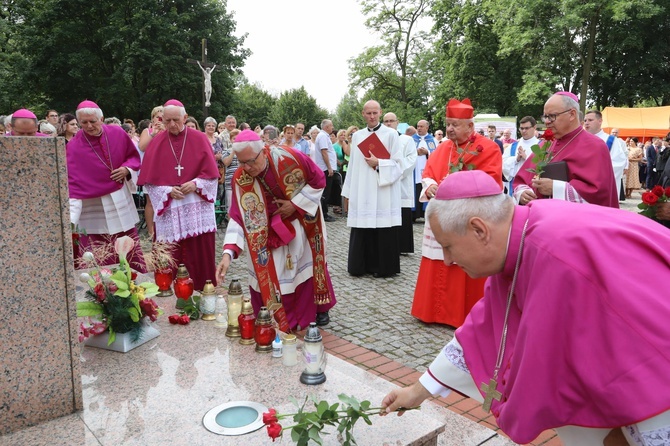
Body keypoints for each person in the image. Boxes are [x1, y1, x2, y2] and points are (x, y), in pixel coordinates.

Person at [381, 170, 670, 446]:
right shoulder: (520, 238)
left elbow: (633, 356)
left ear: (479, 230)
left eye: (449, 247)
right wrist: (417, 392)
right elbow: (480, 329)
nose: (446, 260)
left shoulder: (556, 253)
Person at [216, 129, 336, 331]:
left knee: (304, 266)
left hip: (299, 222)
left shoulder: (290, 157)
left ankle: (315, 310)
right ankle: (277, 318)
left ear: (263, 151)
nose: (247, 168)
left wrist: (295, 205)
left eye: (251, 162)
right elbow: (238, 218)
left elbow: (318, 181)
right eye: (241, 163)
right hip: (263, 231)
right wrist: (228, 253)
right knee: (270, 271)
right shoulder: (240, 178)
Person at [410, 98, 502, 327]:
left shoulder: (488, 148)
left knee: (463, 263)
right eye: (448, 123)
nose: (449, 128)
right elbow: (429, 173)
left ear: (470, 126)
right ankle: (431, 311)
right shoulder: (443, 147)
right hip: (442, 215)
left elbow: (491, 183)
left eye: (455, 124)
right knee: (437, 261)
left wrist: (460, 185)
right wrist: (429, 185)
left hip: (468, 218)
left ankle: (461, 314)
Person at [137, 99, 219, 290]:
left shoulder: (199, 138)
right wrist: (168, 191)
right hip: (170, 207)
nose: (172, 125)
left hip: (195, 204)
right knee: (170, 254)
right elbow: (149, 183)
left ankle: (202, 289)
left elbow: (212, 176)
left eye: (176, 120)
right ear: (162, 120)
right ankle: (168, 293)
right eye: (167, 121)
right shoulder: (156, 141)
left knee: (198, 251)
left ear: (184, 117)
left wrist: (196, 184)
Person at [67, 100, 146, 271]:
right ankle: (100, 285)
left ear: (101, 118)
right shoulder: (74, 145)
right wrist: (71, 220)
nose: (88, 126)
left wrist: (126, 169)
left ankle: (135, 277)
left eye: (92, 121)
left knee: (125, 237)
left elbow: (133, 157)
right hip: (92, 203)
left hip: (118, 197)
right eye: (84, 123)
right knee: (96, 244)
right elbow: (72, 182)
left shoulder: (117, 133)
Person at [513, 91, 618, 208]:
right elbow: (522, 179)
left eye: (552, 116)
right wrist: (522, 193)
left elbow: (599, 194)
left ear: (572, 114)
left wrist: (555, 188)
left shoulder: (595, 146)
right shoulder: (546, 144)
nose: (547, 122)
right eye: (545, 116)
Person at [342, 100, 402, 278]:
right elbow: (352, 166)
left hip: (382, 188)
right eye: (368, 113)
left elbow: (399, 165)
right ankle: (360, 266)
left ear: (380, 112)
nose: (372, 116)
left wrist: (379, 164)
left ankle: (383, 267)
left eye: (375, 113)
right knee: (363, 225)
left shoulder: (391, 134)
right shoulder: (358, 136)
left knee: (383, 227)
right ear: (363, 114)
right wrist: (349, 192)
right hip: (362, 190)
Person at [384, 112, 417, 254]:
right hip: (383, 183)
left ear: (397, 122)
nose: (389, 123)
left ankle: (403, 246)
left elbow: (411, 159)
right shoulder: (380, 139)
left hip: (401, 182)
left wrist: (395, 174)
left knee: (402, 214)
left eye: (391, 121)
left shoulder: (406, 140)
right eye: (386, 121)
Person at [583, 110, 628, 199]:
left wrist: (595, 175)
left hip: (601, 186)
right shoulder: (580, 139)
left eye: (590, 120)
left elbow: (618, 163)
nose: (587, 123)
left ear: (600, 121)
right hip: (582, 186)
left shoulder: (611, 140)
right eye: (585, 120)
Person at [502, 116, 538, 195]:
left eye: (527, 128)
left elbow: (544, 166)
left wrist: (527, 158)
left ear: (534, 127)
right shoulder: (512, 147)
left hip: (534, 186)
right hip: (515, 188)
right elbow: (503, 166)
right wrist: (516, 159)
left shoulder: (541, 145)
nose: (524, 131)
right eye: (521, 128)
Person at [411, 119, 437, 221]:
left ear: (427, 127)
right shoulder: (412, 139)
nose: (419, 128)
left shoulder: (432, 140)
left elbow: (436, 155)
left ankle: (425, 213)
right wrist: (415, 152)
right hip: (415, 170)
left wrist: (427, 153)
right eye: (418, 126)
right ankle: (414, 214)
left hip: (427, 170)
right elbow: (407, 153)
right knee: (415, 190)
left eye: (421, 126)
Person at [314, 120, 337, 222]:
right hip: (325, 169)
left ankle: (324, 212)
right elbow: (324, 152)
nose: (332, 127)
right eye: (331, 126)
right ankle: (324, 213)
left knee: (326, 192)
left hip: (326, 168)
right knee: (325, 192)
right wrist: (329, 167)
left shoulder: (324, 136)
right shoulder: (323, 136)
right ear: (326, 127)